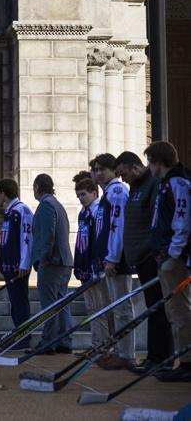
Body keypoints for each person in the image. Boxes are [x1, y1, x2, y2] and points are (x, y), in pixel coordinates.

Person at [115, 151, 174, 374]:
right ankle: (154, 357)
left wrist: (151, 250)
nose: (122, 179)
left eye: (123, 174)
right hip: (140, 259)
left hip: (151, 257)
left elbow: (157, 221)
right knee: (153, 310)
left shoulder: (153, 184)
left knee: (159, 309)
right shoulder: (136, 188)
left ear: (135, 167)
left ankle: (161, 359)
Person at [146, 141, 191, 382]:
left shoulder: (177, 182)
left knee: (180, 311)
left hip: (174, 258)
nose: (148, 166)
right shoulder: (165, 184)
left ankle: (187, 362)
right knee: (174, 311)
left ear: (158, 161)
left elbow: (182, 221)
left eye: (150, 161)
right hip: (164, 255)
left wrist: (173, 254)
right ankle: (182, 359)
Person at [90, 153, 135, 370]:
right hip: (108, 259)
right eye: (96, 169)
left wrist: (112, 257)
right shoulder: (108, 193)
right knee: (114, 308)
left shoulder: (117, 191)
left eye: (102, 169)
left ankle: (126, 354)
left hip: (116, 260)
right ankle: (118, 350)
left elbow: (118, 226)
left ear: (113, 169)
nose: (98, 173)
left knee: (122, 308)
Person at [30, 173, 73, 354]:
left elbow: (48, 234)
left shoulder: (46, 205)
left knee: (49, 304)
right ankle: (64, 341)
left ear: (38, 187)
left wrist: (43, 258)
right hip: (63, 262)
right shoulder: (57, 204)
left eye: (34, 187)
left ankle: (48, 342)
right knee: (61, 303)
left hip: (53, 262)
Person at [72, 173, 113, 352]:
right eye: (79, 195)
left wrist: (97, 265)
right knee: (92, 308)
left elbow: (99, 240)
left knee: (100, 309)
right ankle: (97, 343)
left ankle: (103, 346)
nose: (81, 199)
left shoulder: (97, 211)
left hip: (95, 266)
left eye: (84, 194)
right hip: (84, 267)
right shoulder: (83, 213)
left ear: (94, 193)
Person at [0, 178, 33, 350]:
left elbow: (26, 238)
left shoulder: (21, 210)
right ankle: (19, 333)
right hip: (9, 265)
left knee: (20, 303)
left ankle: (24, 337)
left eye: (0, 193)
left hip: (18, 266)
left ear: (3, 192)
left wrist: (24, 263)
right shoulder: (10, 212)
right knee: (15, 303)